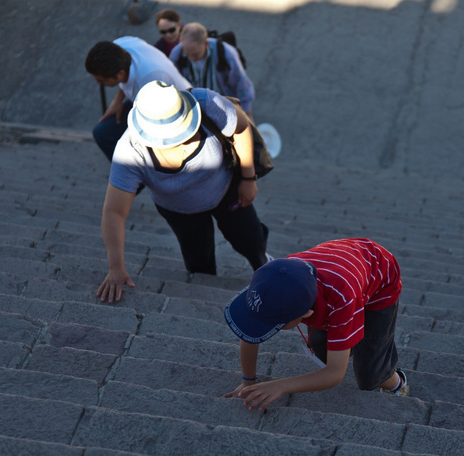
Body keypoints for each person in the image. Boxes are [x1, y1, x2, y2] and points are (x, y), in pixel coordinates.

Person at [96, 80, 269, 302]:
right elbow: (114, 212)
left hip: (226, 190)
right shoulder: (130, 151)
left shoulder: (207, 103)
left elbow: (242, 126)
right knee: (198, 260)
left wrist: (248, 178)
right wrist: (116, 267)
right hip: (179, 210)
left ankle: (263, 266)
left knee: (251, 239)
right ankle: (206, 297)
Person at [224, 238, 409, 412]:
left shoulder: (342, 299)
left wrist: (281, 385)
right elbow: (250, 332)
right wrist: (248, 382)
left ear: (306, 315)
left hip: (380, 280)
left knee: (371, 373)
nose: (265, 326)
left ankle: (397, 383)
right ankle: (348, 339)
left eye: (275, 323)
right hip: (342, 271)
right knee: (324, 352)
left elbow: (335, 374)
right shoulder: (274, 279)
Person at [84, 37, 190, 161]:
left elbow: (160, 128)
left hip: (174, 113)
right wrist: (117, 100)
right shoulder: (120, 46)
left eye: (102, 80)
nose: (99, 84)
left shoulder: (151, 82)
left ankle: (137, 175)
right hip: (145, 101)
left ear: (120, 74)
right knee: (101, 133)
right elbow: (125, 80)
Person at [170, 23, 256, 119]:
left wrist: (246, 114)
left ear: (206, 44)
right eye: (187, 54)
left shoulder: (227, 54)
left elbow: (241, 85)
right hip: (196, 108)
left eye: (195, 55)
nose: (191, 59)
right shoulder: (177, 55)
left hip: (225, 106)